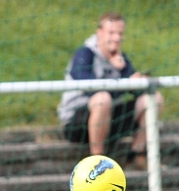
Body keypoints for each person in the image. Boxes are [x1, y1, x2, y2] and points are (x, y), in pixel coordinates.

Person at [57, 11, 163, 170]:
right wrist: (121, 81)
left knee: (154, 99)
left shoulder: (121, 59)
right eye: (111, 33)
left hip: (110, 120)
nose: (116, 38)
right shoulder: (85, 54)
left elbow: (135, 91)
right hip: (77, 123)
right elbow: (84, 82)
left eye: (120, 33)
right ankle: (97, 163)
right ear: (99, 33)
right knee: (102, 98)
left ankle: (137, 156)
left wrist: (138, 80)